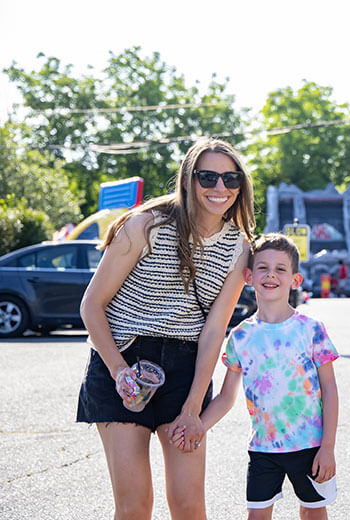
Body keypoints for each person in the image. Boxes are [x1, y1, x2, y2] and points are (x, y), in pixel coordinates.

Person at [76, 137, 254, 519]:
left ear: (241, 185)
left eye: (230, 178)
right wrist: (118, 370)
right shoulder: (144, 226)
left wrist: (193, 408)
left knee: (190, 507)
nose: (219, 188)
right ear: (188, 180)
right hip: (122, 361)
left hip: (185, 369)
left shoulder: (239, 248)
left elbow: (213, 330)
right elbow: (92, 304)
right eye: (208, 177)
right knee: (135, 506)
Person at [180, 233, 339, 520]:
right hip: (263, 447)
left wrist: (327, 447)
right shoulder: (241, 336)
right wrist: (199, 427)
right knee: (256, 515)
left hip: (310, 446)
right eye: (263, 267)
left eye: (281, 269)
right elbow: (227, 397)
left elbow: (329, 390)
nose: (271, 275)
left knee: (313, 513)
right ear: (249, 276)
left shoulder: (312, 329)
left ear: (295, 280)